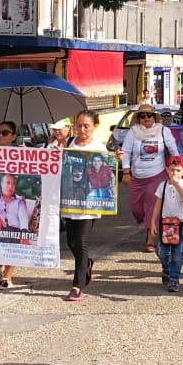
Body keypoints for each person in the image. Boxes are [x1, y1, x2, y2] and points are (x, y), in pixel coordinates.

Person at [121, 102, 179, 252]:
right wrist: (126, 172)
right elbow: (126, 152)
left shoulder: (163, 131)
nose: (146, 118)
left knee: (152, 206)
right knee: (136, 209)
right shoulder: (133, 132)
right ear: (138, 119)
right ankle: (148, 223)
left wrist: (177, 169)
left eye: (149, 115)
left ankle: (150, 239)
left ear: (154, 117)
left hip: (157, 175)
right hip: (137, 177)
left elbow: (174, 152)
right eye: (142, 116)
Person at [62, 109, 105, 302]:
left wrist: (117, 160)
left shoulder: (99, 147)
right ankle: (86, 263)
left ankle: (77, 285)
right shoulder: (69, 143)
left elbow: (106, 173)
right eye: (79, 126)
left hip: (89, 202)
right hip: (70, 200)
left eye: (86, 126)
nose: (82, 130)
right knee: (71, 241)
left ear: (94, 126)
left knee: (81, 242)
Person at [150, 155, 183, 292]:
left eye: (178, 170)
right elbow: (157, 204)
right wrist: (153, 221)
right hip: (166, 223)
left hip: (181, 223)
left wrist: (176, 184)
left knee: (178, 253)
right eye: (172, 170)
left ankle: (174, 279)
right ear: (167, 170)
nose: (175, 173)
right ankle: (166, 269)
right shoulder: (162, 185)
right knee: (162, 251)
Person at [0, 121, 20, 290]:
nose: (0, 135)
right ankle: (0, 268)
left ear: (13, 136)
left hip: (13, 206)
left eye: (5, 133)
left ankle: (8, 276)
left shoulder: (22, 154)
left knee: (13, 240)